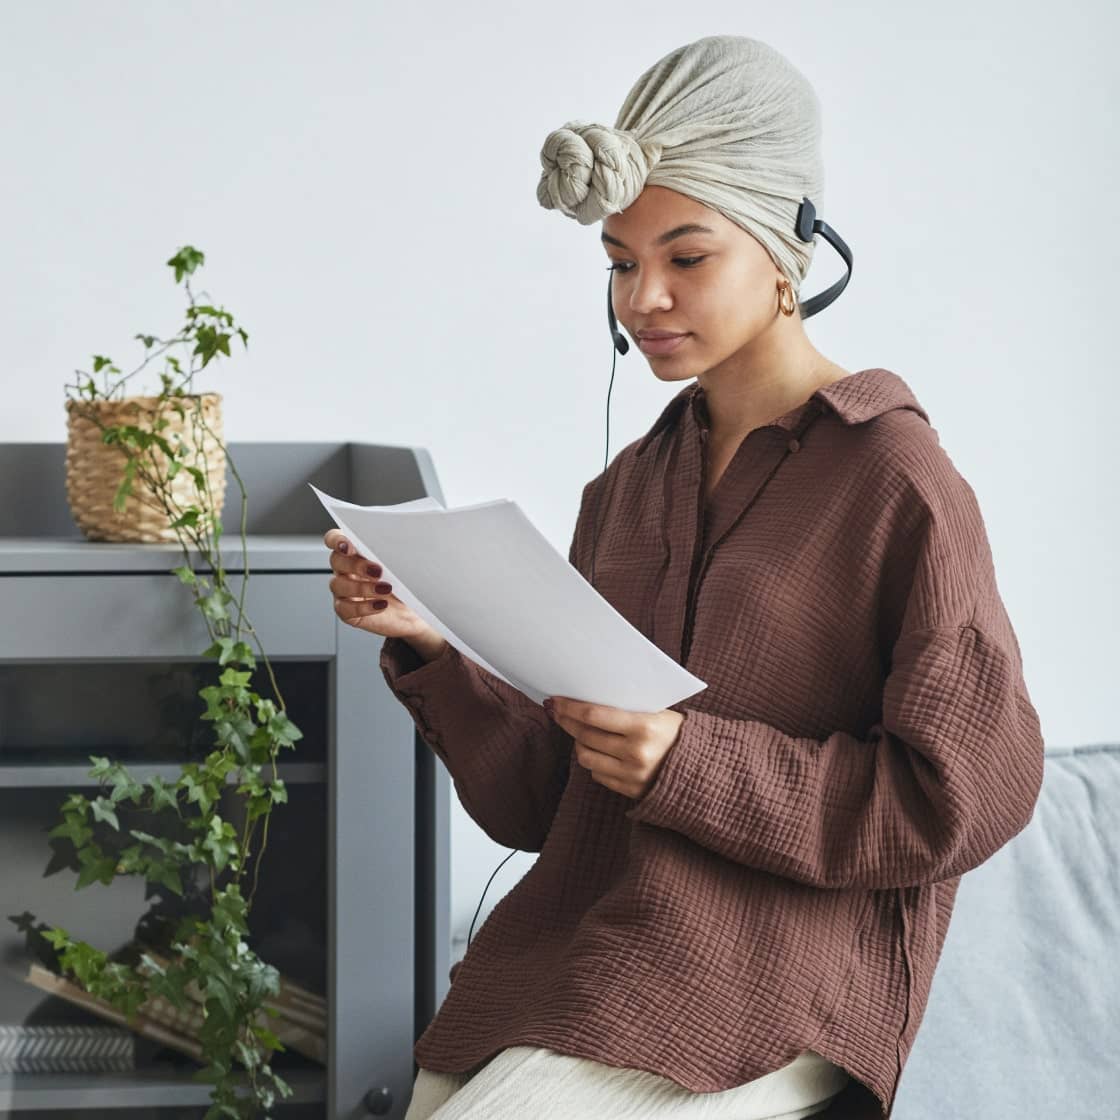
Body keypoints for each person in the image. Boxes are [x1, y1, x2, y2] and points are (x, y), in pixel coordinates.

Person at [324, 34, 1044, 1120]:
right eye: (619, 262)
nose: (642, 297)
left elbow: (965, 795)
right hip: (572, 964)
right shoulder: (624, 490)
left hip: (766, 980)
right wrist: (427, 643)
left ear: (785, 245)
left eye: (686, 256)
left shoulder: (895, 477)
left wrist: (689, 762)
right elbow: (539, 804)